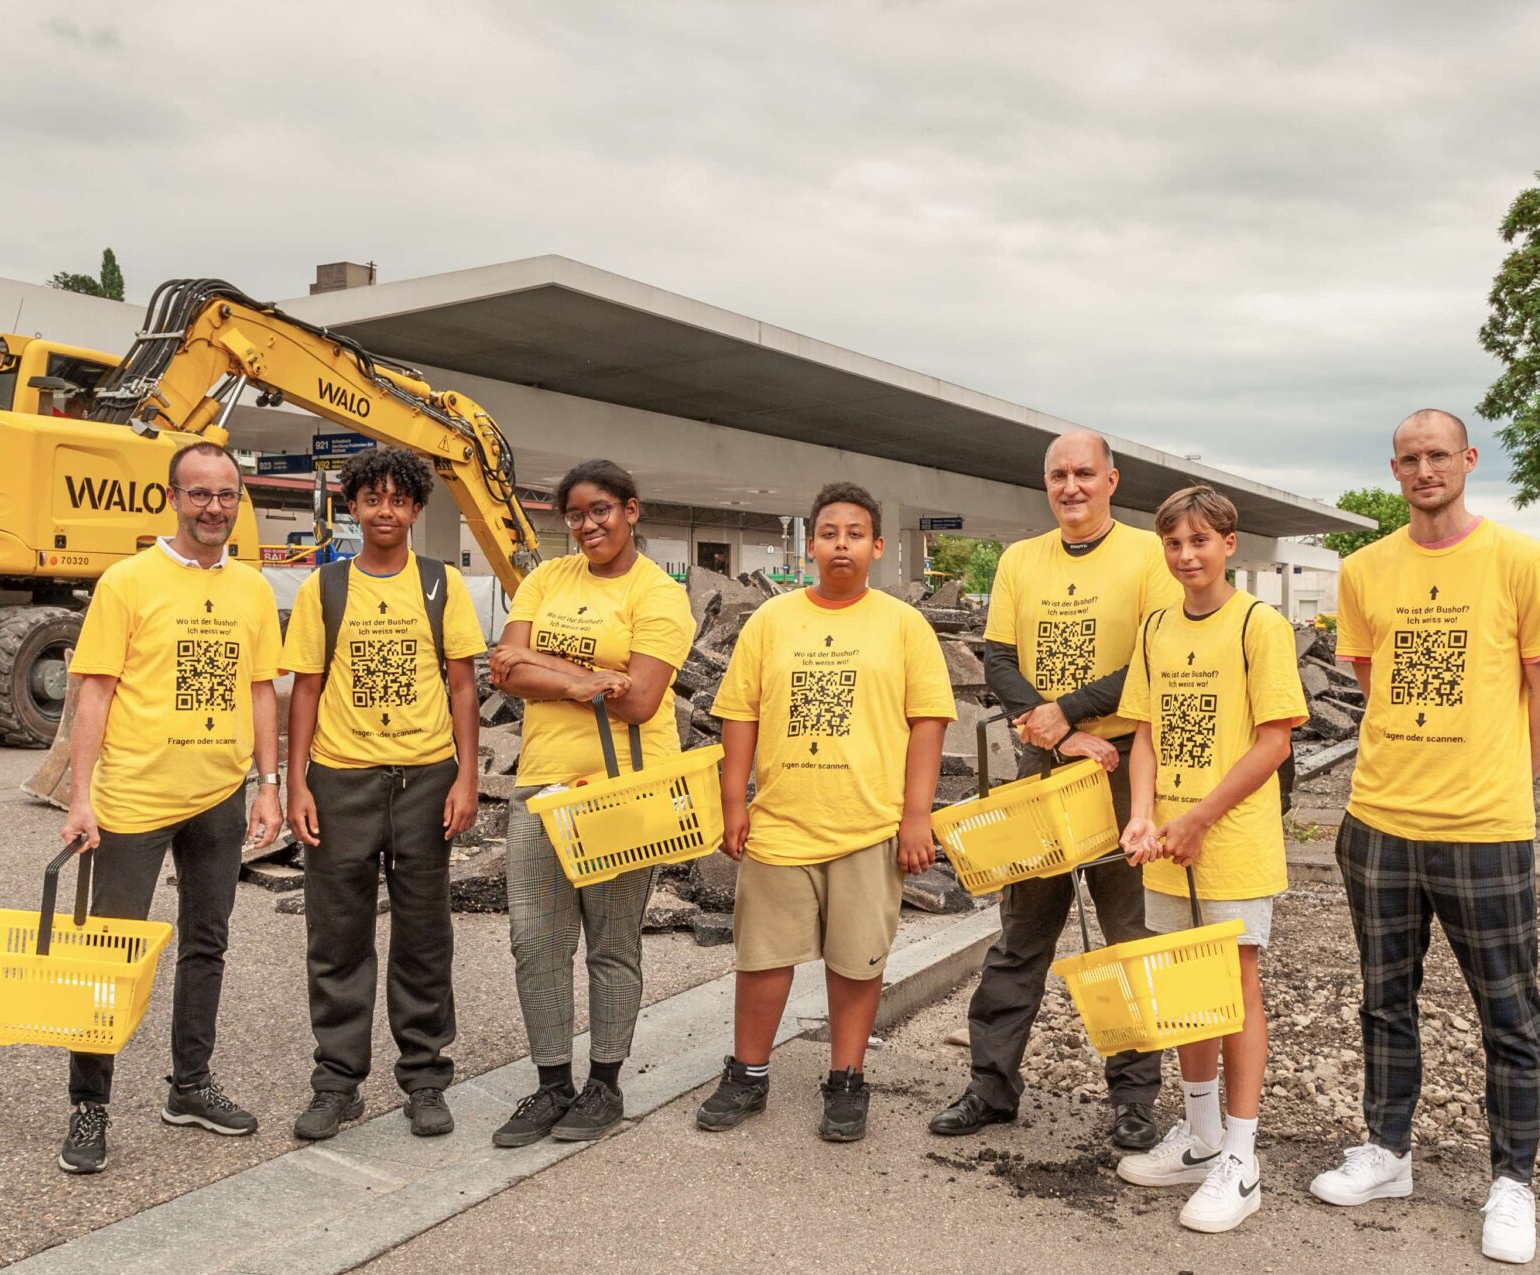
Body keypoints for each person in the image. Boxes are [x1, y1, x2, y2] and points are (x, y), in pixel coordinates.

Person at [1309, 408, 1540, 1265]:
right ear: (1394, 469)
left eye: (1439, 455)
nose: (1425, 469)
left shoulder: (1522, 561)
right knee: (1385, 1000)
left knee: (1509, 1012)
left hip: (1485, 829)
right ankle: (1387, 1150)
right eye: (1409, 458)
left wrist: (1507, 790)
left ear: (1467, 459)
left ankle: (1513, 1180)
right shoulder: (1365, 569)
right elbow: (1371, 677)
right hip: (1379, 823)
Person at [930, 429, 1179, 1153]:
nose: (1070, 486)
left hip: (1121, 768)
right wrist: (1063, 732)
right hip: (1045, 768)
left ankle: (1134, 1099)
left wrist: (1069, 712)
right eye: (1057, 475)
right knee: (1019, 939)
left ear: (1112, 479)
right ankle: (990, 1086)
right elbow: (999, 657)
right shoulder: (1020, 559)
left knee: (1129, 940)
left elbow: (1152, 658)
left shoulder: (1146, 555)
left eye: (1084, 473)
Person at [695, 482, 955, 1142]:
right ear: (810, 544)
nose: (842, 543)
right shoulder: (772, 622)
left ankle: (846, 1079)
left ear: (876, 546)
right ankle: (748, 1073)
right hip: (782, 820)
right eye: (830, 532)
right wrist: (735, 801)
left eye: (855, 532)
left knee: (857, 959)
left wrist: (916, 815)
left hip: (867, 826)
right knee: (761, 957)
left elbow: (928, 723)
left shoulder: (903, 626)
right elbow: (739, 714)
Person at [56, 441, 282, 1175]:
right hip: (132, 802)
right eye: (199, 494)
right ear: (173, 498)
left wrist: (268, 782)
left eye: (226, 494)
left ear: (238, 499)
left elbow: (258, 691)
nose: (213, 507)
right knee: (107, 956)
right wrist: (80, 795)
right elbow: (94, 691)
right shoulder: (127, 582)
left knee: (206, 944)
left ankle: (189, 1085)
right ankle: (89, 1104)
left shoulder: (251, 589)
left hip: (219, 795)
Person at [484, 460, 697, 1146]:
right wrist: (582, 683)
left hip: (621, 790)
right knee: (534, 942)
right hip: (542, 783)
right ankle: (552, 1086)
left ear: (632, 510)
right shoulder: (546, 579)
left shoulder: (660, 594)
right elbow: (503, 666)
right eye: (574, 514)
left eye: (601, 510)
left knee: (611, 942)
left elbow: (638, 697)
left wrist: (546, 673)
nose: (587, 525)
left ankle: (604, 1083)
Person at [1115, 486, 1307, 1233]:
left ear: (1231, 543)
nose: (1187, 555)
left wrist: (1199, 816)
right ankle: (1197, 1137)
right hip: (1168, 843)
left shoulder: (1260, 626)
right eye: (1174, 543)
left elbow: (1274, 741)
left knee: (1235, 987)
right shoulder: (1158, 626)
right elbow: (1145, 735)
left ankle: (1241, 1154)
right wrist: (1142, 814)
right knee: (1188, 989)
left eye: (1201, 540)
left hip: (1230, 842)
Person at [280, 449, 485, 1142]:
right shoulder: (325, 588)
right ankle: (336, 1082)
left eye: (399, 499)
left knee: (424, 935)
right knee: (337, 935)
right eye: (373, 499)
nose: (386, 510)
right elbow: (304, 687)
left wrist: (467, 775)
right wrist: (296, 780)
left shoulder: (440, 585)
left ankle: (425, 1076)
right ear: (353, 507)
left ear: (417, 508)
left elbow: (463, 685)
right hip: (341, 780)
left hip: (426, 779)